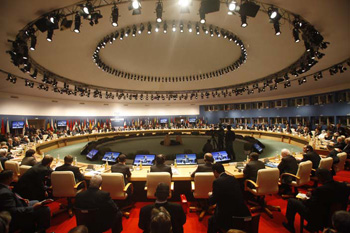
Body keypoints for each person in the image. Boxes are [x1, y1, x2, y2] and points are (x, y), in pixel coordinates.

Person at [283, 169, 350, 233]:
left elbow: (310, 205)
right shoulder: (343, 186)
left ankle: (290, 225)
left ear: (320, 177)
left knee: (292, 201)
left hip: (320, 217)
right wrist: (313, 194)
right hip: (337, 215)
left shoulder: (320, 190)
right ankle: (310, 227)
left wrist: (304, 199)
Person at [208, 163, 251, 233]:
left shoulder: (217, 182)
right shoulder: (233, 178)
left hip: (227, 216)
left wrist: (210, 196)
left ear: (215, 172)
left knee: (211, 221)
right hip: (241, 213)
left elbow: (213, 201)